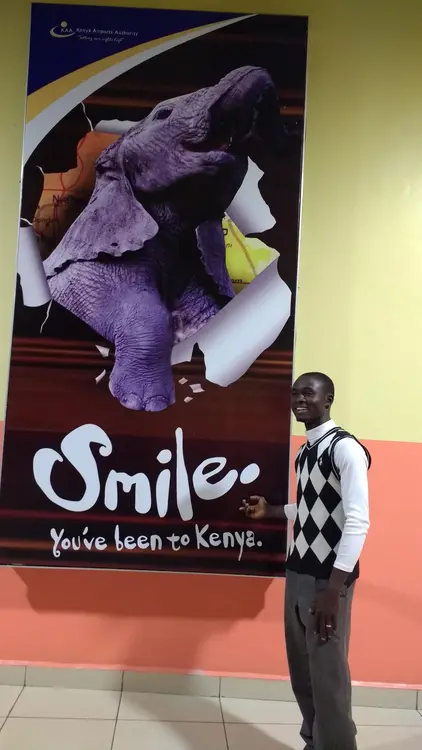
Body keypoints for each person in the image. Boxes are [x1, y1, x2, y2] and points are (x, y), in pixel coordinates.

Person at [242, 372, 371, 750]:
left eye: (309, 393)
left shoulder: (345, 449)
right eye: (295, 393)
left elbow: (357, 520)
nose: (300, 399)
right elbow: (313, 508)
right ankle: (314, 742)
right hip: (298, 570)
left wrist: (334, 590)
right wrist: (272, 511)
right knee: (303, 673)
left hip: (327, 580)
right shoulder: (305, 452)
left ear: (328, 399)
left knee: (328, 676)